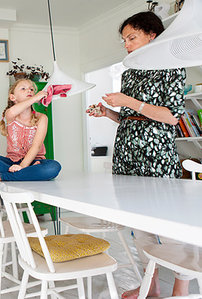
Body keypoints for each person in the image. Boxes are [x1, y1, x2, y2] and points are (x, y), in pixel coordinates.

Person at [87, 11, 188, 298]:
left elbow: (170, 117)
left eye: (132, 37)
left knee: (167, 224)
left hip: (156, 154)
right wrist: (108, 112)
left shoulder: (172, 67)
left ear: (152, 35)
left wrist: (127, 100)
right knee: (138, 224)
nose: (127, 44)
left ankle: (180, 286)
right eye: (124, 40)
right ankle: (151, 286)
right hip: (127, 151)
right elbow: (131, 117)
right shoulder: (130, 71)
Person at [0, 79, 61, 181]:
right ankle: (24, 174)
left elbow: (36, 146)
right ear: (12, 97)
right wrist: (35, 98)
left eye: (31, 89)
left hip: (34, 162)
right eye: (23, 89)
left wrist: (22, 166)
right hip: (11, 162)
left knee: (54, 167)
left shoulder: (42, 118)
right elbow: (13, 111)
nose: (29, 91)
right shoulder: (10, 114)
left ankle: (2, 176)